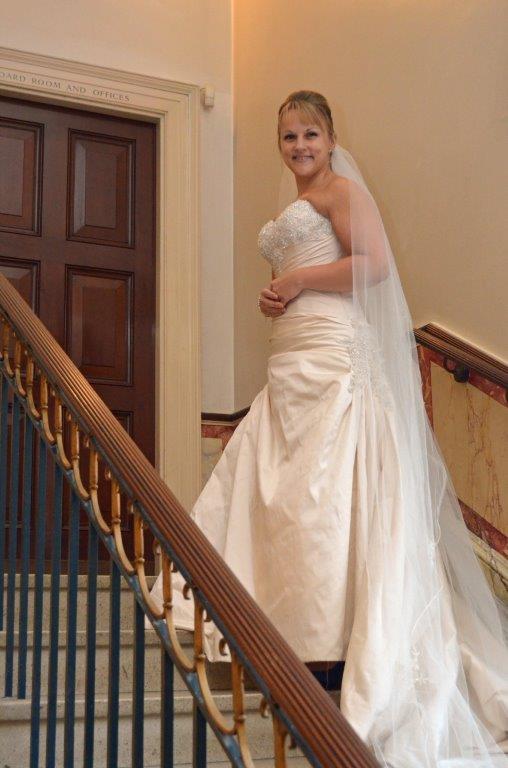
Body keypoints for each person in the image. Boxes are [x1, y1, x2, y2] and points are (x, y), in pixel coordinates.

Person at [151, 91, 507, 766]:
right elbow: (294, 280)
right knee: (283, 504)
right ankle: (287, 639)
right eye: (288, 137)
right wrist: (275, 293)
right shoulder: (297, 206)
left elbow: (372, 266)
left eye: (310, 134)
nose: (299, 147)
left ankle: (329, 661)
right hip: (292, 365)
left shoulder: (342, 191)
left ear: (330, 136)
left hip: (333, 368)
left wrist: (300, 280)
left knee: (323, 506)